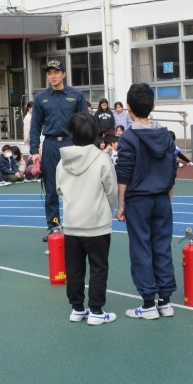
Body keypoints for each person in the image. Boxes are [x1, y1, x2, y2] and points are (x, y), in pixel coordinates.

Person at [116, 83, 177, 320]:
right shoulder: (166, 135)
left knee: (141, 248)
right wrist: (168, 198)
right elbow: (172, 170)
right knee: (162, 247)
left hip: (138, 200)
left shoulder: (128, 137)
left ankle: (148, 303)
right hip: (162, 198)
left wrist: (121, 204)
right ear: (153, 106)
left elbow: (124, 173)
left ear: (128, 108)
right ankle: (165, 302)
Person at [57, 112, 118, 325]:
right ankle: (96, 311)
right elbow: (111, 190)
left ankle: (77, 308)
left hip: (72, 224)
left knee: (74, 268)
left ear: (71, 133)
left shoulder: (62, 161)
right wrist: (107, 209)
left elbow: (59, 190)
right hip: (97, 224)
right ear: (94, 133)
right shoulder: (102, 158)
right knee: (98, 267)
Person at [30, 60, 87, 242]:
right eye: (49, 73)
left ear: (64, 74)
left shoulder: (76, 96)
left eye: (56, 72)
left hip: (72, 144)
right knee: (51, 189)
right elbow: (35, 126)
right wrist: (34, 150)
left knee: (75, 187)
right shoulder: (41, 98)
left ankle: (76, 225)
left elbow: (85, 122)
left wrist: (85, 146)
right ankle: (54, 226)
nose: (53, 76)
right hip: (50, 145)